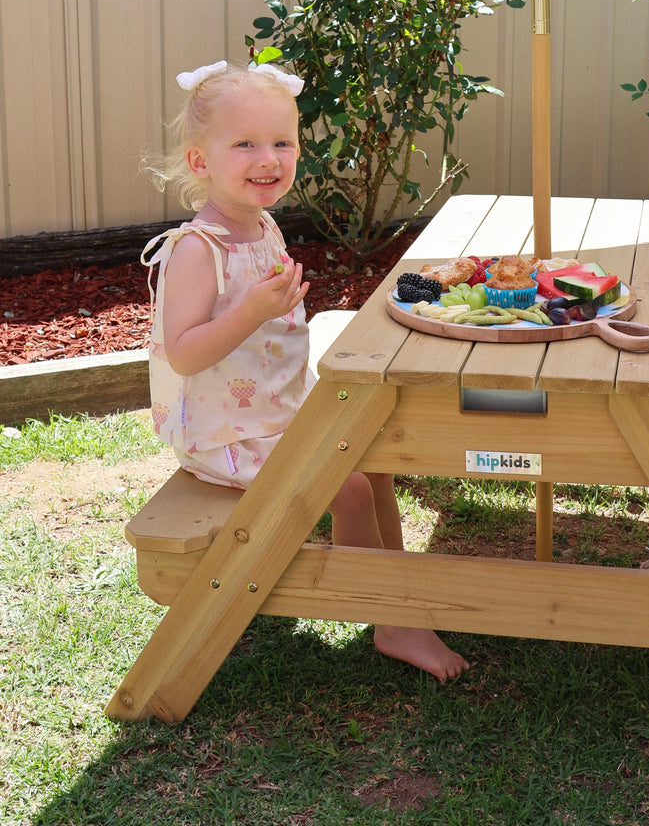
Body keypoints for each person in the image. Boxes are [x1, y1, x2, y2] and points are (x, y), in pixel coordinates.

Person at [141, 60, 468, 683]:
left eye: (282, 142)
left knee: (372, 457)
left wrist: (272, 310)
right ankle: (386, 616)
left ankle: (394, 591)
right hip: (226, 436)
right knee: (343, 485)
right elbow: (184, 353)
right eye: (245, 143)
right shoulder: (195, 249)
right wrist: (252, 311)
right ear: (200, 161)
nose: (269, 158)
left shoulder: (260, 227)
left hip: (275, 412)